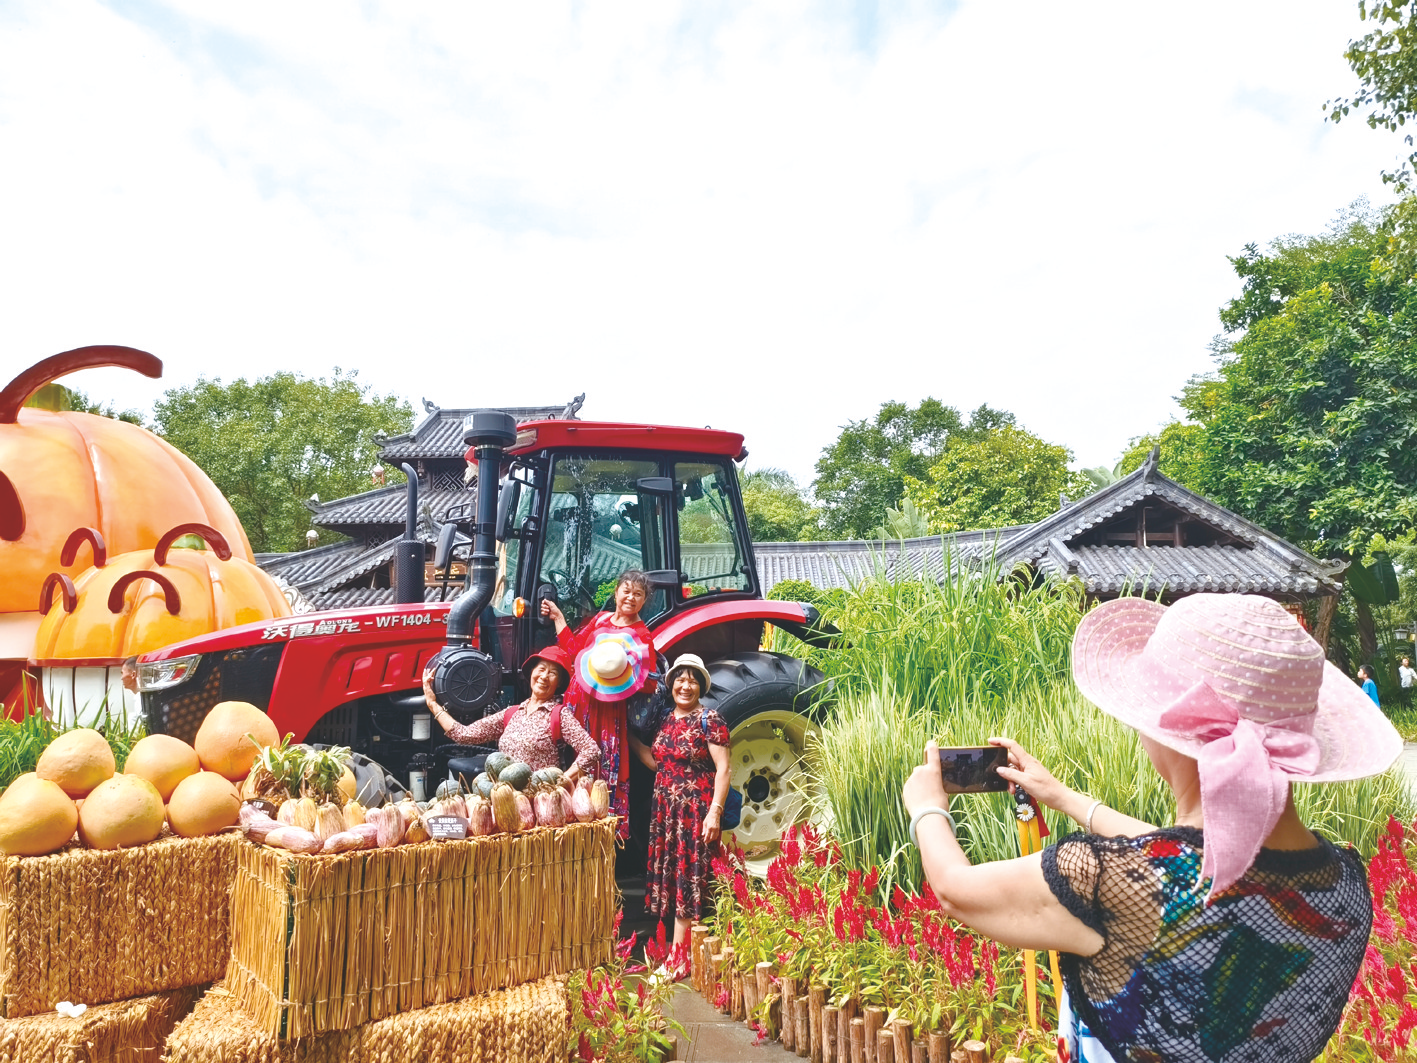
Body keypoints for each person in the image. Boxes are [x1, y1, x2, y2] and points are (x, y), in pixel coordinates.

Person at [902, 593, 1400, 1063]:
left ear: (1170, 736)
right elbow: (1184, 859)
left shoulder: (1104, 880)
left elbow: (956, 891)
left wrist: (927, 806)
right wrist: (1064, 797)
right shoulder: (1345, 884)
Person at [541, 569, 658, 837]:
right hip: (578, 700)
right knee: (569, 758)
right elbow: (574, 651)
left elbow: (648, 683)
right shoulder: (601, 619)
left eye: (638, 594)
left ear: (644, 601)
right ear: (615, 593)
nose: (630, 598)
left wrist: (625, 673)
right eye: (626, 591)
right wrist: (559, 617)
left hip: (606, 709)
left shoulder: (642, 635)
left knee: (599, 766)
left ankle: (598, 833)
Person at [636, 653, 731, 960]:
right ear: (672, 683)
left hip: (694, 812)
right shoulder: (665, 719)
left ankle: (679, 959)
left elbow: (724, 770)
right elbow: (656, 761)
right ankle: (682, 953)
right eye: (680, 678)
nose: (685, 685)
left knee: (687, 878)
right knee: (674, 879)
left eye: (692, 679)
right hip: (666, 814)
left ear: (700, 685)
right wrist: (627, 740)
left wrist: (714, 812)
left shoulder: (710, 719)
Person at [422, 646, 600, 778]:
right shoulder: (512, 713)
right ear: (531, 674)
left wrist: (563, 780)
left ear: (558, 683)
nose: (544, 676)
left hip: (540, 804)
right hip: (507, 801)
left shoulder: (559, 715)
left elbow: (591, 750)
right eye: (541, 669)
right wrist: (432, 703)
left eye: (552, 673)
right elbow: (464, 734)